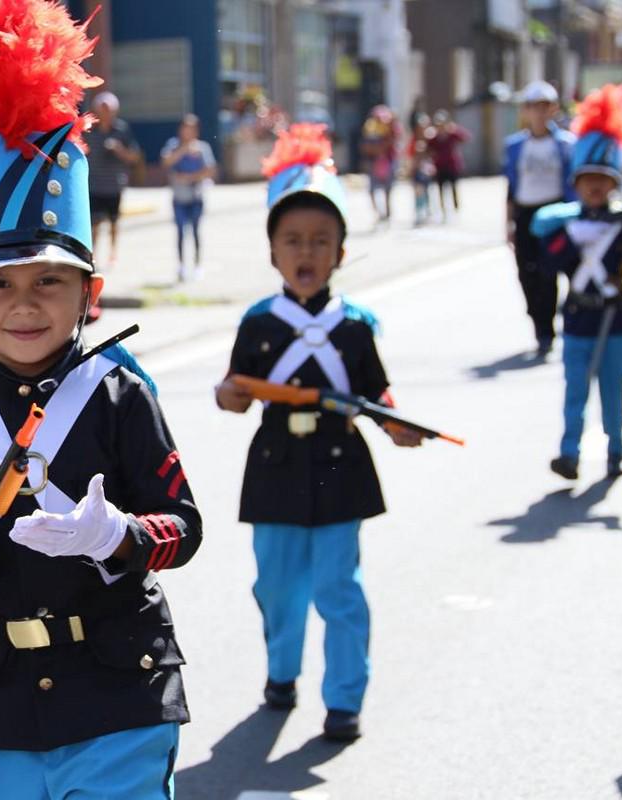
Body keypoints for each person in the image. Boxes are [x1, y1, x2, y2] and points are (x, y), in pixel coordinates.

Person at [0, 3, 201, 797]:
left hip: (122, 691)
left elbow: (182, 528)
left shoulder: (121, 395)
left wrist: (118, 533)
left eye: (49, 281)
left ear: (90, 292)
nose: (26, 304)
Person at [214, 124, 423, 742]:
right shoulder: (258, 322)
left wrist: (395, 425)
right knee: (276, 585)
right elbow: (234, 393)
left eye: (321, 241)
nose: (307, 253)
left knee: (340, 590)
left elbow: (375, 392)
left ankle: (344, 698)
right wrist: (227, 395)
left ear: (341, 252)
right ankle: (281, 675)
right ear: (273, 251)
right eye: (293, 240)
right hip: (276, 465)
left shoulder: (355, 326)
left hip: (339, 465)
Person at [530, 84, 622, 480]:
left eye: (603, 178)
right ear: (576, 182)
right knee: (575, 394)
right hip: (577, 319)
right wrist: (575, 243)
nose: (594, 185)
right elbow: (548, 260)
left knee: (613, 393)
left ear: (614, 183)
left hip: (614, 321)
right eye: (587, 177)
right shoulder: (562, 226)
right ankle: (569, 453)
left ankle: (615, 451)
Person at [504, 80, 576, 359]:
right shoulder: (515, 146)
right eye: (534, 107)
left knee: (551, 272)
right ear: (526, 110)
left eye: (545, 106)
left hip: (555, 214)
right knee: (527, 273)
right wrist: (509, 223)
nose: (540, 113)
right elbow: (510, 187)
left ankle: (548, 331)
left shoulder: (566, 143)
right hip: (526, 214)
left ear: (554, 109)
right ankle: (538, 320)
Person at [85, 91, 142, 270]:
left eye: (108, 110)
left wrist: (119, 150)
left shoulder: (121, 130)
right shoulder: (88, 130)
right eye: (102, 109)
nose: (105, 113)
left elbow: (134, 157)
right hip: (93, 184)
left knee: (114, 223)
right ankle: (92, 256)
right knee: (94, 223)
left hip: (114, 185)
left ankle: (113, 255)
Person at [161, 114, 217, 282]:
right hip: (179, 198)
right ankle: (181, 266)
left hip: (196, 197)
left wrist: (190, 177)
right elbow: (166, 162)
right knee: (180, 232)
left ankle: (198, 265)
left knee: (195, 232)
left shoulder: (202, 148)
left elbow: (211, 170)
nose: (188, 132)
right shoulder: (173, 145)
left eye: (192, 129)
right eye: (185, 128)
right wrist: (184, 149)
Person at [428, 110, 470, 220]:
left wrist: (455, 129)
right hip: (440, 166)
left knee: (454, 188)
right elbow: (428, 148)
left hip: (452, 165)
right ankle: (442, 209)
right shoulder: (433, 137)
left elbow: (465, 137)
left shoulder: (452, 134)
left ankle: (456, 208)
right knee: (441, 189)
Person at [360, 105, 399, 223]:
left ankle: (387, 211)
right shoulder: (370, 128)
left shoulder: (391, 130)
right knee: (373, 189)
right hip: (374, 162)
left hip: (387, 162)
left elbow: (393, 142)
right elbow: (365, 147)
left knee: (388, 188)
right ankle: (378, 212)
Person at [407, 113, 436, 226]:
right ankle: (419, 213)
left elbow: (433, 154)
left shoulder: (430, 138)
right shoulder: (414, 140)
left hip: (427, 170)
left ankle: (428, 212)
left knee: (428, 192)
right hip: (417, 170)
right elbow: (410, 156)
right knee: (418, 192)